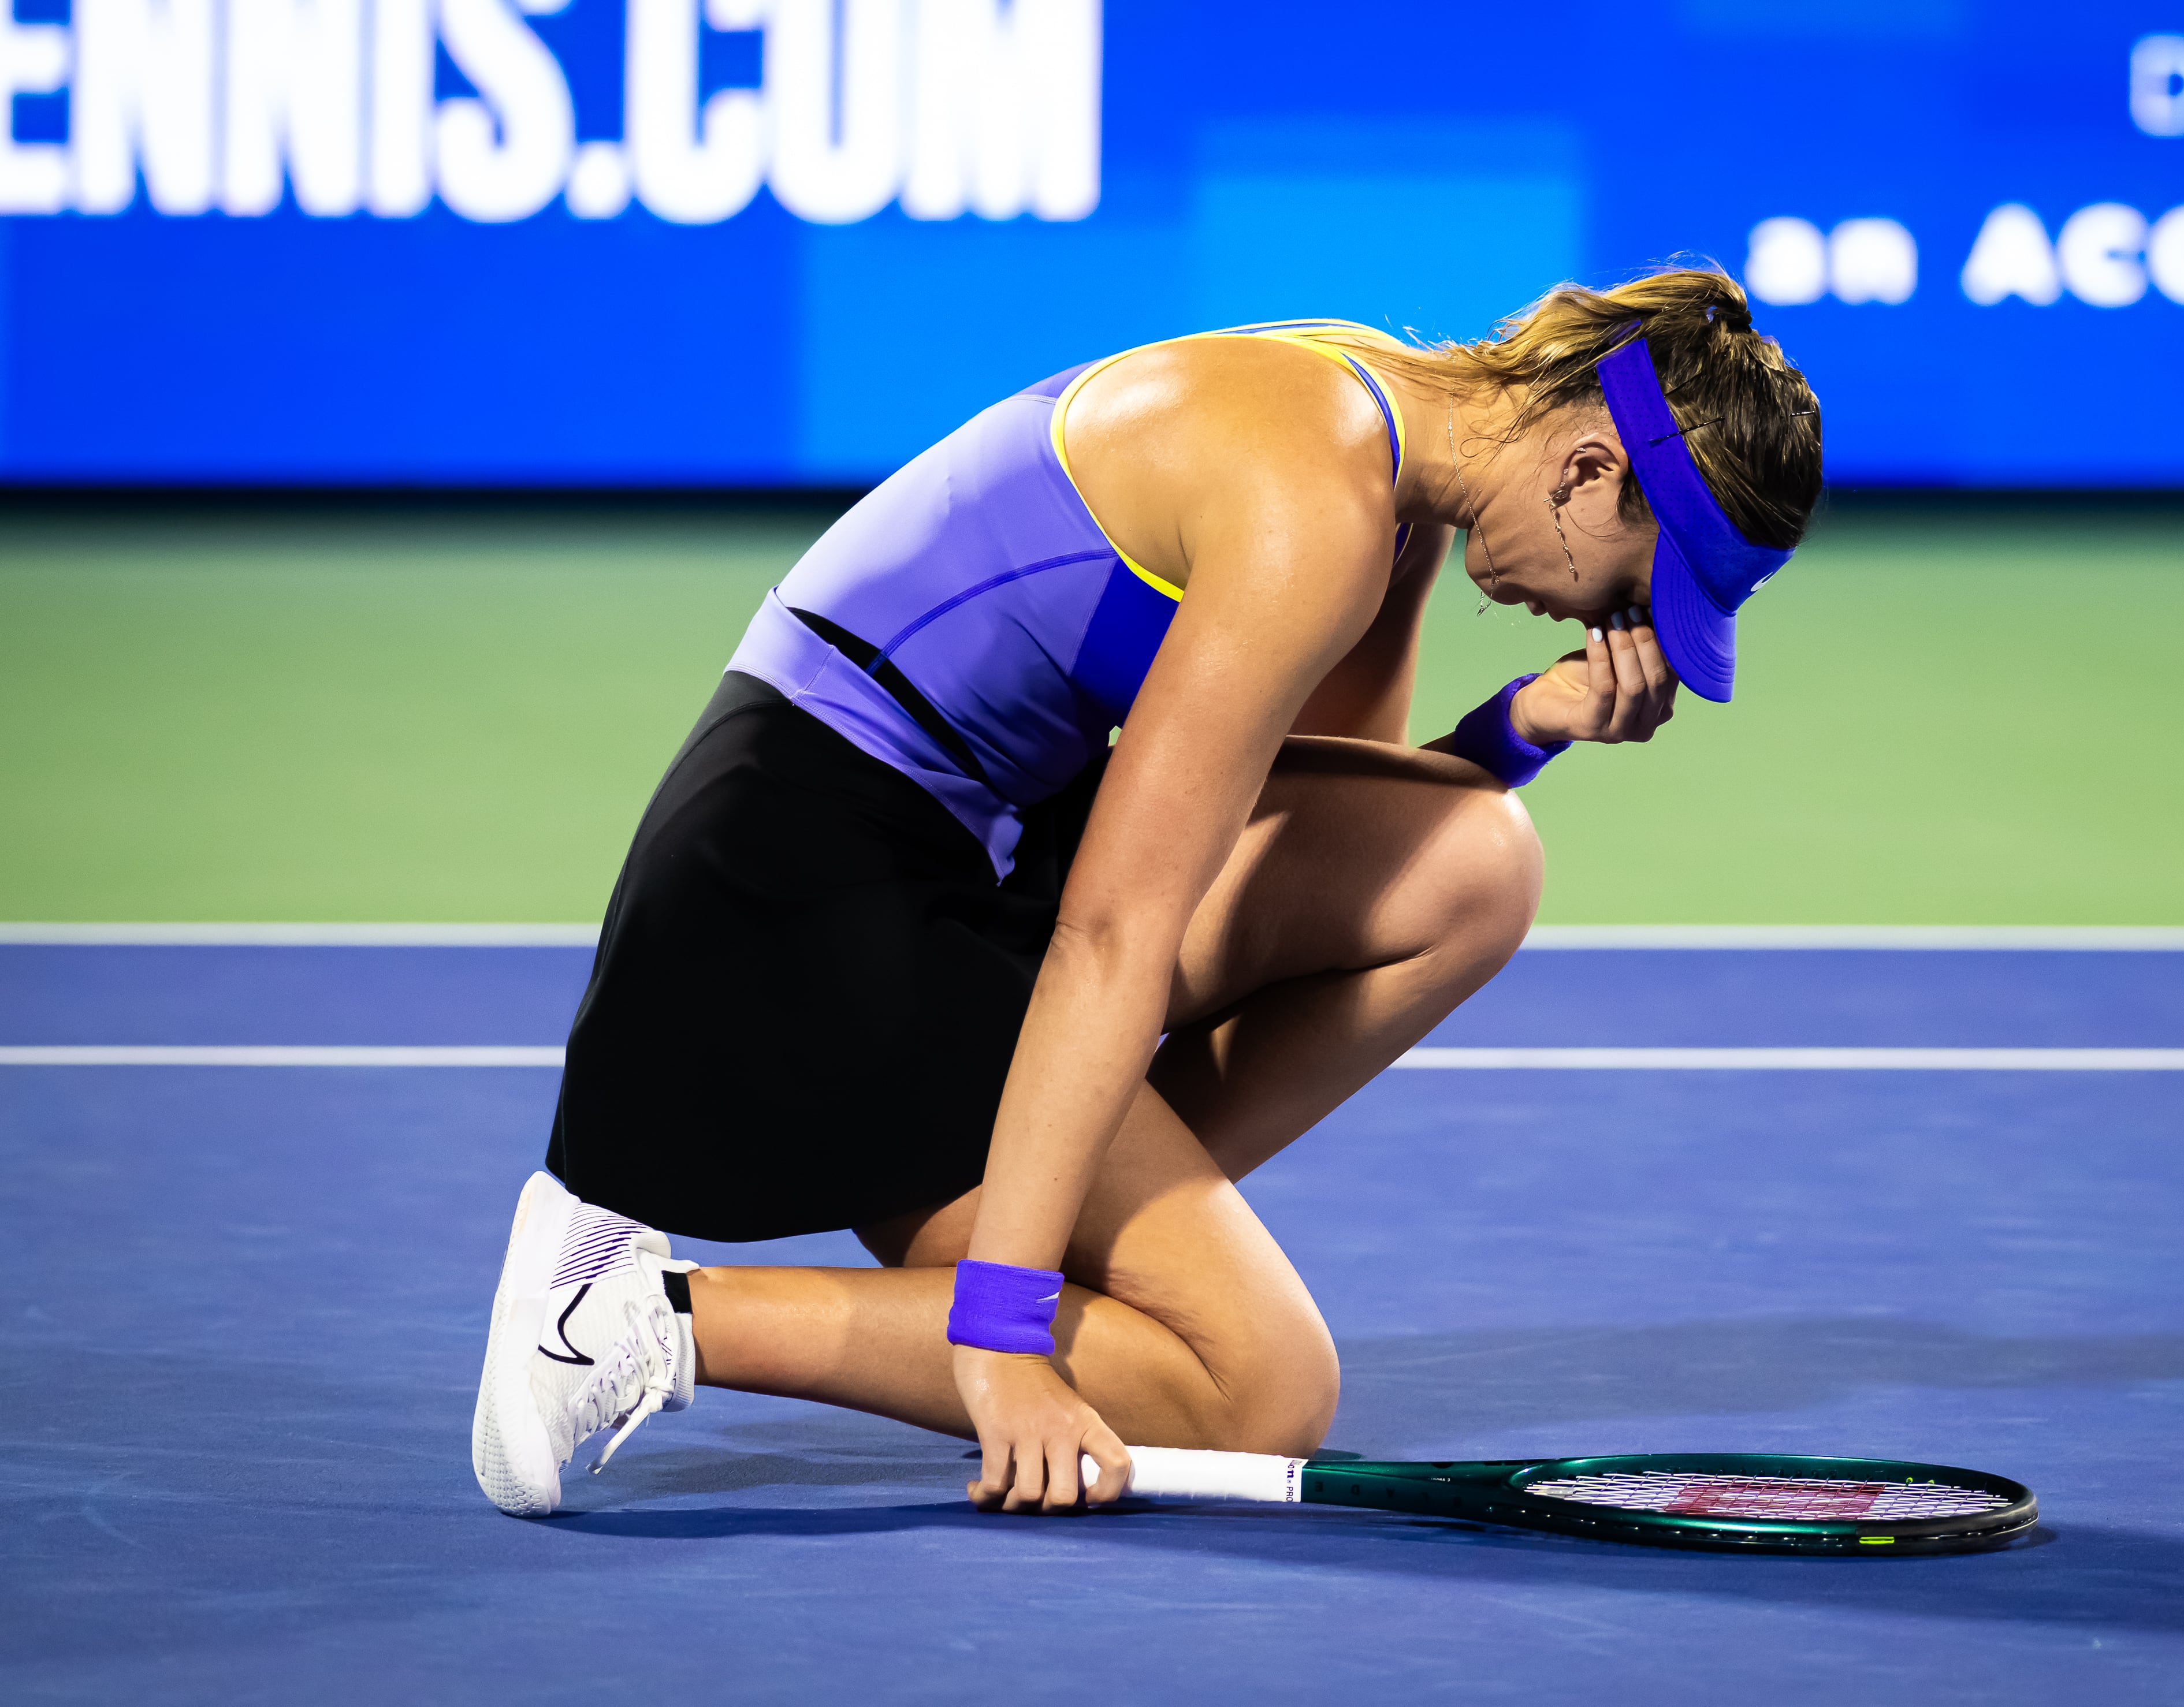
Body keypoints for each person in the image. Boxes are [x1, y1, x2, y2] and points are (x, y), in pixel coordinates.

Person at [470, 265, 1823, 1519]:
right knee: (1259, 1396)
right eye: (1649, 586)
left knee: (1478, 858)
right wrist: (998, 1341)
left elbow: (1289, 814)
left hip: (962, 851)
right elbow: (1119, 927)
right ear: (1590, 472)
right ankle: (624, 1313)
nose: (1619, 626)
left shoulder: (1382, 439)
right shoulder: (1315, 503)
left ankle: (1042, 1233)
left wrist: (1520, 727)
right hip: (810, 894)